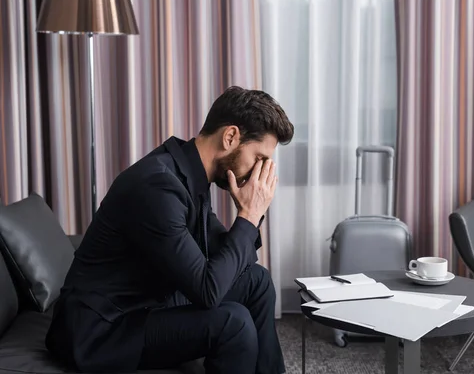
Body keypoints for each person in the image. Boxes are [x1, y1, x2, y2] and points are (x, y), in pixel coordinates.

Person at [45, 86, 294, 374]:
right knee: (232, 321)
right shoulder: (158, 185)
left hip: (147, 304)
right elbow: (208, 291)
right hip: (103, 330)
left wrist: (254, 213)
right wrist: (249, 216)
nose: (259, 172)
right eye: (259, 159)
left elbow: (234, 260)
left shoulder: (190, 174)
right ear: (230, 137)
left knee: (257, 280)